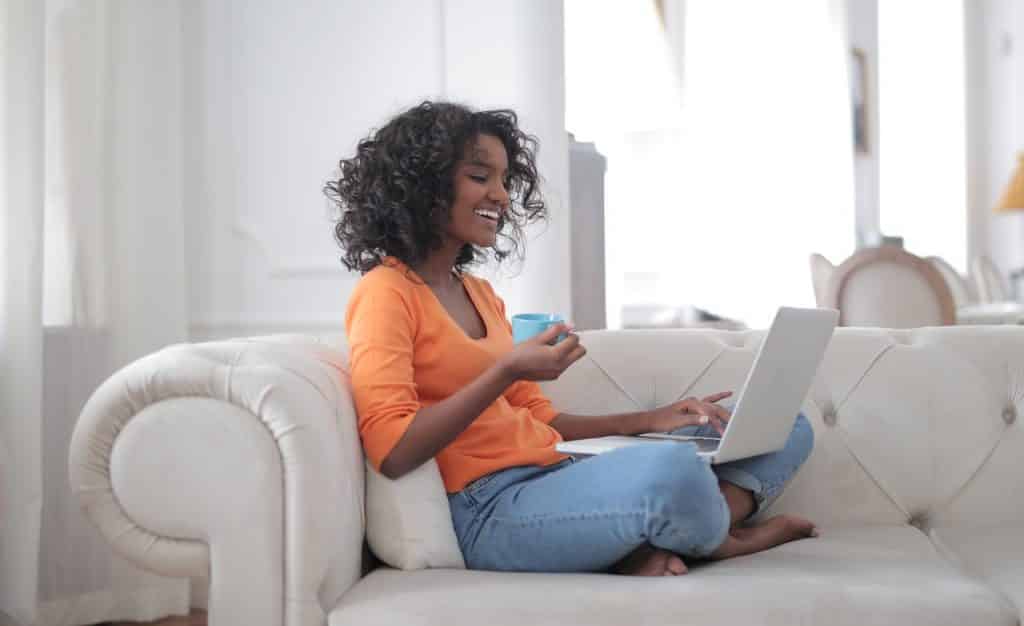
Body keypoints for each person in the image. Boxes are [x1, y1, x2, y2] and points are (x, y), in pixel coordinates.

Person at [326, 101, 817, 576]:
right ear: (422, 186)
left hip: (555, 474)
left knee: (786, 425)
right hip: (490, 508)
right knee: (670, 470)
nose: (500, 195)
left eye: (503, 180)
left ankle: (676, 530)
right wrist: (506, 370)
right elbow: (392, 452)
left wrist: (651, 418)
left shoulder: (478, 293)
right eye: (480, 177)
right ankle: (724, 538)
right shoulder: (385, 292)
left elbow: (542, 419)